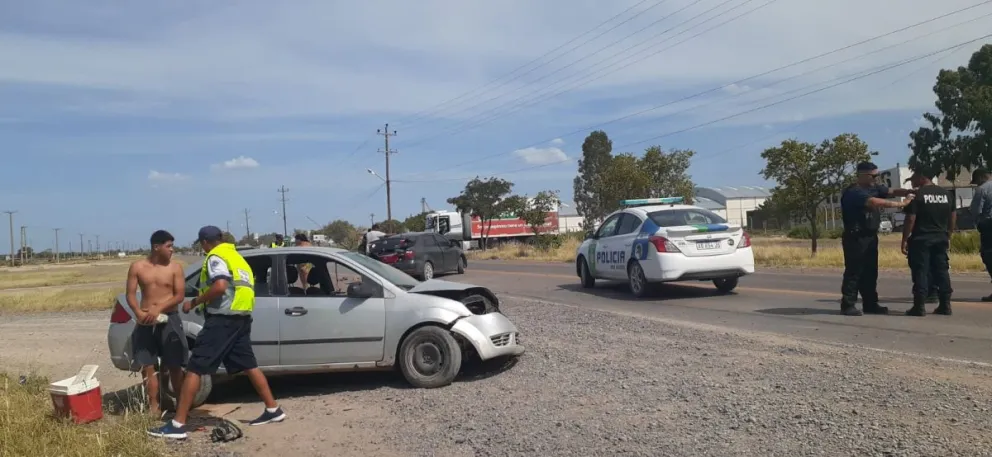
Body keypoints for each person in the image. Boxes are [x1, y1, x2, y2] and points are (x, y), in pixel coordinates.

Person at [148, 226, 285, 440]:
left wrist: (195, 301)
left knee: (195, 367)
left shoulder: (215, 257)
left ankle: (178, 424)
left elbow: (220, 286)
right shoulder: (236, 257)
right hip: (241, 317)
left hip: (223, 319)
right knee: (249, 364)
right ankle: (273, 409)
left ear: (204, 242)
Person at [839, 162, 915, 316]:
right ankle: (847, 304)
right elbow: (874, 202)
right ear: (862, 175)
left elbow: (892, 191)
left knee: (871, 272)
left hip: (870, 236)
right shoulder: (854, 192)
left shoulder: (874, 188)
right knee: (855, 271)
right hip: (856, 237)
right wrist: (902, 204)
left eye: (877, 175)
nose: (876, 178)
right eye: (873, 176)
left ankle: (870, 304)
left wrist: (910, 191)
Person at [125, 230, 187, 417]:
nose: (172, 250)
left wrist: (158, 308)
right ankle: (154, 408)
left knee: (175, 365)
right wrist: (138, 312)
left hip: (169, 319)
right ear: (156, 247)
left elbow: (179, 295)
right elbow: (130, 295)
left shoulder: (175, 268)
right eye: (169, 246)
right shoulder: (137, 267)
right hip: (145, 320)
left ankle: (181, 407)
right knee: (147, 366)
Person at [901, 169, 955, 316]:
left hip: (921, 239)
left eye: (913, 178)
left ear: (922, 177)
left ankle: (919, 306)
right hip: (940, 237)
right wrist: (948, 235)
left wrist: (905, 239)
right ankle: (945, 305)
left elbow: (910, 219)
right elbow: (952, 216)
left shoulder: (917, 195)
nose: (912, 181)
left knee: (921, 271)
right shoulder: (947, 194)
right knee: (941, 270)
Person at [970, 168, 992, 301]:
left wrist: (977, 224)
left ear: (981, 177)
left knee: (988, 255)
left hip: (989, 226)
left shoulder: (982, 189)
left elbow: (975, 210)